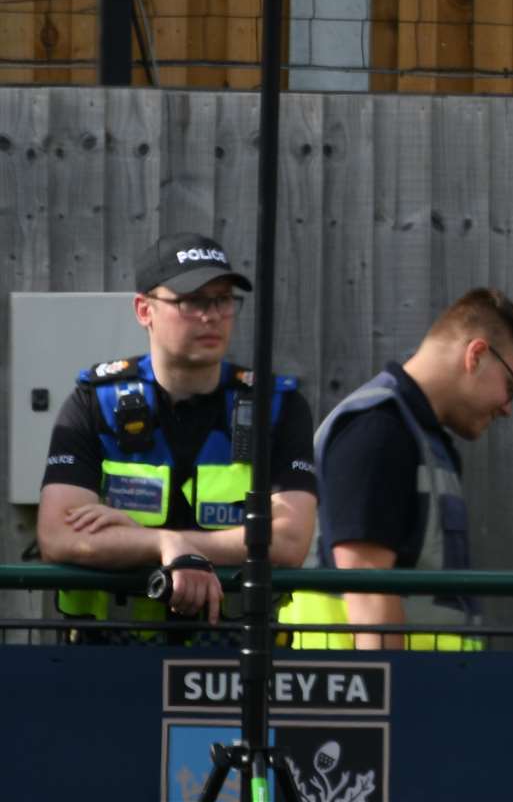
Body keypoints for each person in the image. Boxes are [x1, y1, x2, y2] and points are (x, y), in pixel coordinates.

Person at [37, 233, 317, 636]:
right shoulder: (94, 402)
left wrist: (146, 538)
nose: (212, 315)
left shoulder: (278, 407)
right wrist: (165, 545)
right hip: (106, 665)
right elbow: (58, 536)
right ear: (143, 309)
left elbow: (287, 542)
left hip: (233, 661)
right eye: (192, 301)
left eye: (223, 300)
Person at [279, 288, 513, 651]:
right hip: (373, 697)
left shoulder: (417, 436)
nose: (507, 408)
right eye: (511, 387)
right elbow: (367, 591)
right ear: (476, 355)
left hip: (410, 691)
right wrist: (392, 695)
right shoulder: (379, 431)